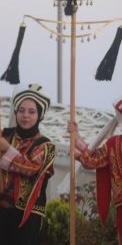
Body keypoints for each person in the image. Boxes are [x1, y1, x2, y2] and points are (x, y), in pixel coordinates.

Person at [0, 84, 55, 245]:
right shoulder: (5, 134)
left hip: (26, 218)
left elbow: (31, 168)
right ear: (16, 112)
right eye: (21, 110)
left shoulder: (45, 145)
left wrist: (7, 149)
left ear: (40, 115)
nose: (25, 116)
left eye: (31, 112)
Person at [68, 98, 122, 243]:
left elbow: (91, 160)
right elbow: (92, 159)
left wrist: (76, 144)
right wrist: (76, 138)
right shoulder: (114, 143)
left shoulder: (114, 143)